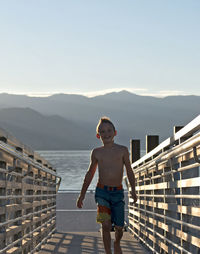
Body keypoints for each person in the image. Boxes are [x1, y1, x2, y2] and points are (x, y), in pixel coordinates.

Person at [76, 117, 137, 254]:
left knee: (119, 227)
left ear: (115, 132)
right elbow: (90, 174)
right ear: (98, 135)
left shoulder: (123, 150)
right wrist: (82, 195)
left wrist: (133, 190)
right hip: (102, 192)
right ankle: (108, 252)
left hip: (118, 192)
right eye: (102, 132)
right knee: (105, 225)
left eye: (109, 130)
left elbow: (129, 171)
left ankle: (116, 243)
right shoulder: (97, 152)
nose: (106, 134)